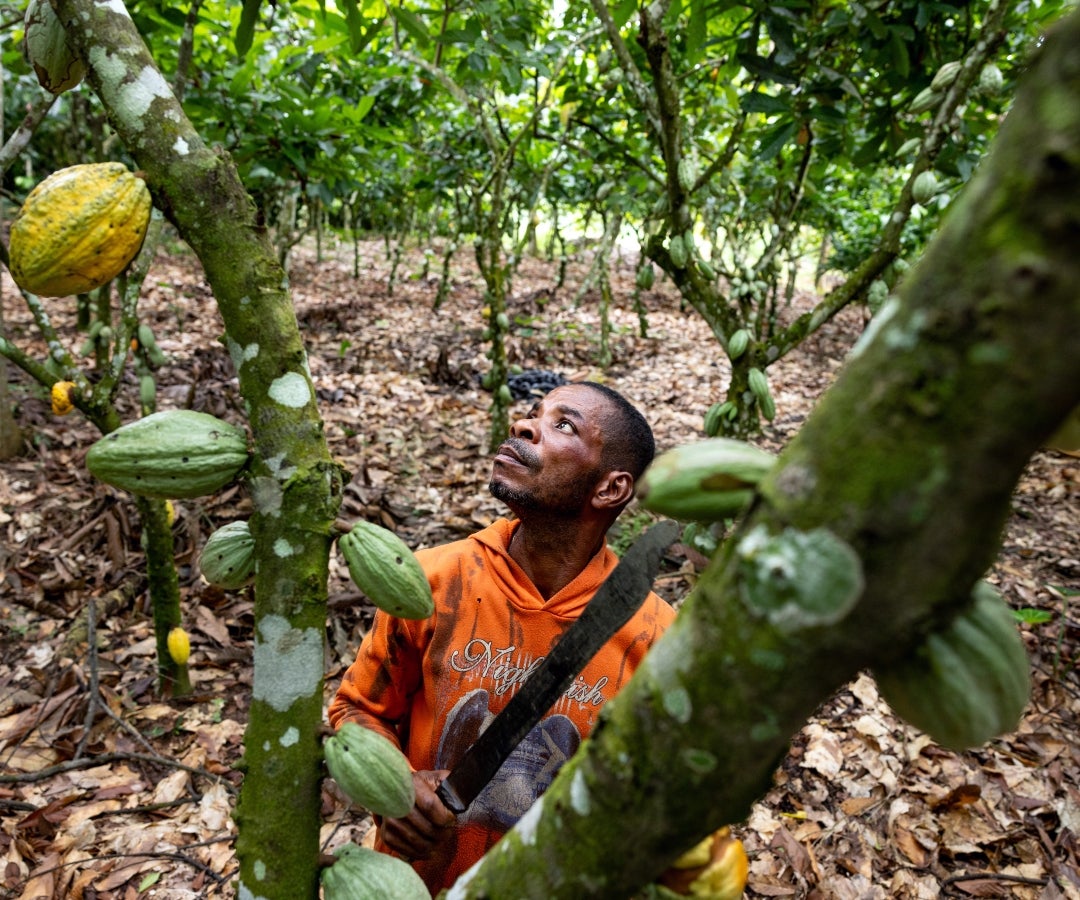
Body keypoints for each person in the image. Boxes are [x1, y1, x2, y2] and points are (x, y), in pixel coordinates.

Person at [328, 381, 677, 893]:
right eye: (534, 412)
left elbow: (658, 797)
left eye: (563, 425)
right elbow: (357, 710)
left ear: (609, 489)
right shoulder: (432, 584)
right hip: (410, 883)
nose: (523, 425)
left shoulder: (653, 636)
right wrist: (396, 789)